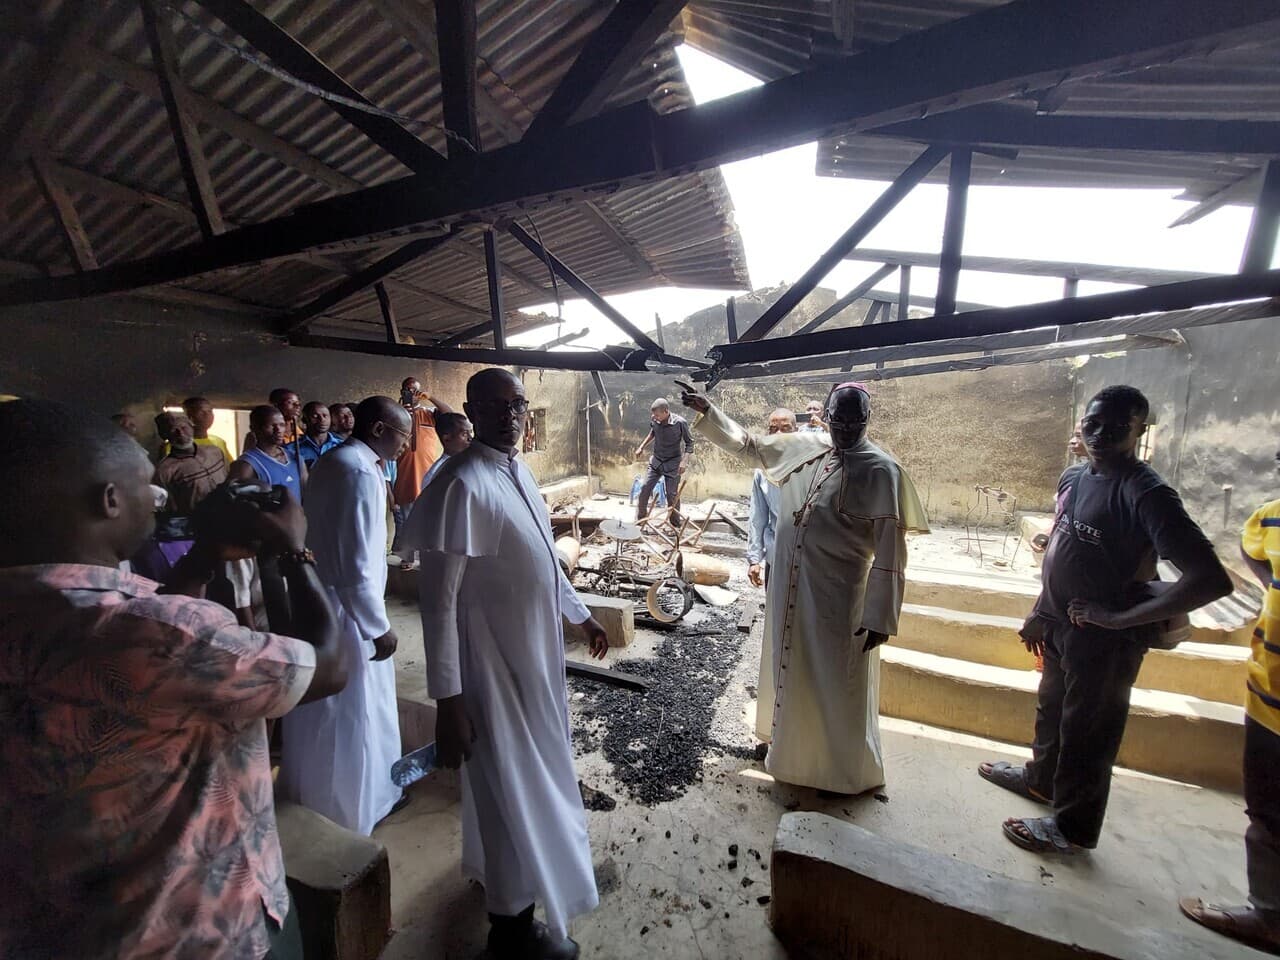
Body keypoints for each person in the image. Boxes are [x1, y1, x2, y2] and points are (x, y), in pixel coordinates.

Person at [0, 398, 346, 960]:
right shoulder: (147, 630)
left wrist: (204, 558)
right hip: (194, 928)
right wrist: (295, 551)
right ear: (109, 501)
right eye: (148, 489)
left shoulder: (54, 616)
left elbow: (158, 663)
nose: (157, 502)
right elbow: (328, 668)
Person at [978, 385, 1232, 855]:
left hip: (1106, 641)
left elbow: (1209, 579)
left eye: (1117, 427)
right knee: (1052, 711)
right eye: (1092, 423)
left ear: (1139, 431)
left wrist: (1119, 619)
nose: (1100, 434)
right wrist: (1041, 610)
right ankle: (1041, 781)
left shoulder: (1146, 493)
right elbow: (1062, 547)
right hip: (1059, 626)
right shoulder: (1075, 476)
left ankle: (1073, 828)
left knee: (1088, 735)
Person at [408, 368, 609, 959]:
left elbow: (543, 558)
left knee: (519, 777)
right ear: (471, 409)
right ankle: (512, 931)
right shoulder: (460, 485)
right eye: (496, 405)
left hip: (534, 659)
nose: (510, 414)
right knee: (510, 786)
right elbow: (438, 604)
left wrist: (579, 614)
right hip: (491, 668)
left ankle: (502, 887)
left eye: (518, 403)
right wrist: (448, 701)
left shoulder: (516, 470)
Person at [682, 382, 928, 795]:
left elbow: (890, 551)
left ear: (867, 419)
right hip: (791, 583)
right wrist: (709, 411)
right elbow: (751, 447)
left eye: (856, 420)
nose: (846, 428)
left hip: (838, 594)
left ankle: (839, 772)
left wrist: (881, 615)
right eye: (839, 419)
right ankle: (789, 750)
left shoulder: (881, 469)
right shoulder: (807, 445)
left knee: (835, 679)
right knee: (789, 666)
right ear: (826, 416)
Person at [278, 397, 412, 835]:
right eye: (402, 435)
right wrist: (379, 627)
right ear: (377, 430)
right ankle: (361, 807)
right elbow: (356, 561)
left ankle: (326, 797)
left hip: (327, 600)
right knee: (355, 714)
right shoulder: (357, 471)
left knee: (327, 716)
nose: (405, 445)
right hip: (349, 609)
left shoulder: (340, 461)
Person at [1180, 451, 1280, 952]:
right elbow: (1253, 555)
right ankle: (1271, 915)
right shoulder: (1269, 516)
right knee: (1266, 814)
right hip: (1269, 699)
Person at [229, 406, 307, 631]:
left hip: (295, 538)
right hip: (267, 544)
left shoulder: (294, 457)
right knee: (273, 602)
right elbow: (234, 501)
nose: (278, 430)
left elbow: (306, 492)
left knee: (298, 598)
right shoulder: (247, 464)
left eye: (281, 424)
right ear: (255, 428)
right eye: (270, 425)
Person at [392, 377, 453, 542]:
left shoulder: (429, 414)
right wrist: (399, 409)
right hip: (403, 478)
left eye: (415, 391)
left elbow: (451, 414)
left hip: (426, 477)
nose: (411, 394)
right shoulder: (395, 415)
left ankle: (422, 557)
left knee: (427, 522)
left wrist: (430, 397)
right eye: (407, 390)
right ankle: (407, 557)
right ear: (401, 392)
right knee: (404, 521)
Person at [746, 408, 796, 587]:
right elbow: (757, 516)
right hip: (775, 555)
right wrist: (754, 559)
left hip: (807, 559)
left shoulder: (810, 465)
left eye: (786, 428)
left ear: (795, 431)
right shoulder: (763, 470)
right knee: (774, 611)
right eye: (774, 429)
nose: (779, 434)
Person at [633, 397, 694, 526]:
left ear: (666, 411)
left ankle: (675, 525)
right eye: (653, 415)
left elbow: (690, 443)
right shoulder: (655, 420)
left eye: (657, 415)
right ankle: (640, 521)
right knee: (644, 489)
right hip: (656, 461)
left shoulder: (680, 423)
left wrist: (684, 461)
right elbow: (652, 433)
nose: (654, 417)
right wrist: (641, 447)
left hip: (673, 464)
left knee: (672, 495)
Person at [154, 412, 228, 516]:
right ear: (165, 436)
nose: (180, 433)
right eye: (173, 430)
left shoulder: (215, 452)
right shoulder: (164, 471)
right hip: (197, 526)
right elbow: (166, 509)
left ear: (192, 427)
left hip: (229, 517)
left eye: (184, 427)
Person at [419, 412, 474, 492]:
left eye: (471, 432)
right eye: (464, 434)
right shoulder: (436, 475)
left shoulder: (470, 463)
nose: (470, 438)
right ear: (447, 439)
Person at [182, 396, 232, 462]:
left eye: (210, 411)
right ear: (189, 416)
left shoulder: (219, 442)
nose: (207, 415)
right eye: (201, 412)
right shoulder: (178, 445)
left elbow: (229, 467)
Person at [297, 400, 342, 470]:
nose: (322, 419)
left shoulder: (341, 446)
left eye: (325, 416)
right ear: (304, 420)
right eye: (315, 416)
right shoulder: (293, 449)